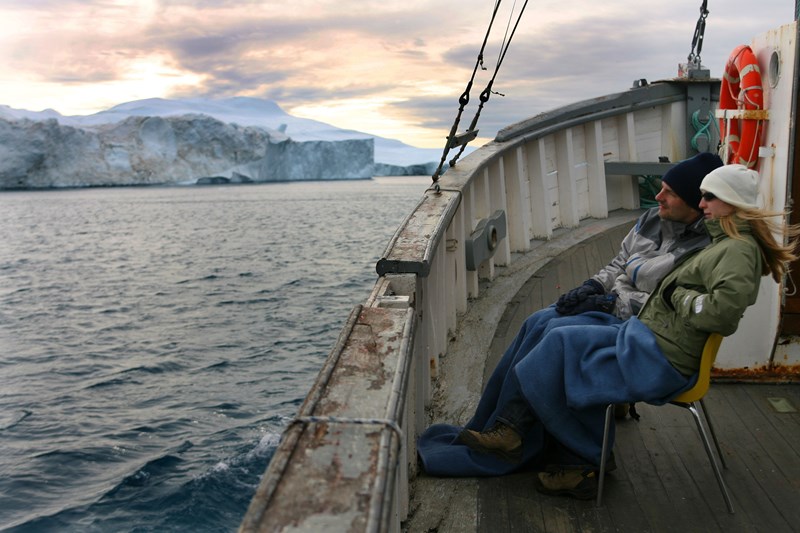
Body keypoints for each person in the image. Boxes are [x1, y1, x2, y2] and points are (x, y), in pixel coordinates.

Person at [417, 164, 799, 501]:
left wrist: (677, 296)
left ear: (731, 201)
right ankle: (518, 433)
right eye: (701, 197)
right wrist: (595, 289)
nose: (702, 206)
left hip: (661, 356)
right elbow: (640, 273)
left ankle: (556, 449)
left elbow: (719, 313)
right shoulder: (724, 243)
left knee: (560, 341)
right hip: (649, 338)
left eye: (709, 197)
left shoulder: (735, 250)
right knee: (553, 334)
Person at [440, 152, 722, 472]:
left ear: (691, 201)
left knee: (556, 336)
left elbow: (665, 306)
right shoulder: (652, 219)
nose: (658, 196)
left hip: (638, 324)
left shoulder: (703, 251)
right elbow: (619, 265)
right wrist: (592, 287)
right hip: (613, 305)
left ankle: (517, 432)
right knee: (538, 320)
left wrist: (609, 303)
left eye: (669, 192)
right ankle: (506, 424)